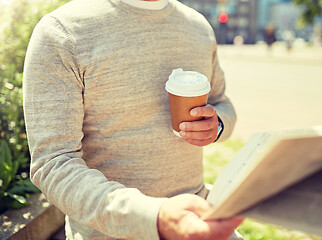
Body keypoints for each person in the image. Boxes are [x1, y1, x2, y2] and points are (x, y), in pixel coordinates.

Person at [23, 0, 242, 239]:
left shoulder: (198, 26)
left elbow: (223, 104)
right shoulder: (61, 31)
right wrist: (154, 217)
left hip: (202, 221)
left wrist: (217, 124)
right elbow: (53, 163)